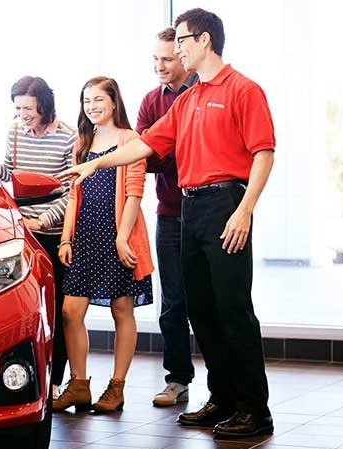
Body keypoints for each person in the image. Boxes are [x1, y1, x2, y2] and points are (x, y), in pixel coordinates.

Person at [61, 8, 275, 438]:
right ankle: (224, 398)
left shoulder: (243, 89)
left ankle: (255, 408)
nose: (175, 50)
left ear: (204, 41)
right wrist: (93, 166)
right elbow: (142, 144)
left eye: (181, 41)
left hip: (226, 203)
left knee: (233, 310)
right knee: (200, 310)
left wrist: (245, 208)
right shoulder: (188, 99)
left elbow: (264, 152)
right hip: (189, 208)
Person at [51, 76, 153, 414]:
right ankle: (79, 385)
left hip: (117, 236)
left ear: (113, 102)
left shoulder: (130, 140)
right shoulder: (83, 141)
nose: (91, 107)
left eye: (98, 100)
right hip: (84, 236)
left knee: (121, 310)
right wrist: (66, 238)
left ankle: (117, 386)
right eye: (86, 101)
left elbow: (134, 194)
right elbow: (73, 194)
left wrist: (122, 237)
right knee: (70, 311)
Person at [0, 76, 76, 398]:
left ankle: (55, 379)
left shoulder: (69, 137)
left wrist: (46, 218)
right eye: (18, 107)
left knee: (56, 307)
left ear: (44, 104)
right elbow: (12, 176)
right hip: (24, 231)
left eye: (28, 107)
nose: (23, 114)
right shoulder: (15, 131)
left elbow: (71, 191)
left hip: (53, 232)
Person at [137, 27, 198, 407]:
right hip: (170, 215)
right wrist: (172, 149)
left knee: (209, 302)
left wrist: (167, 149)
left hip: (209, 213)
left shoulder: (201, 94)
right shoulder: (149, 101)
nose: (159, 66)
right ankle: (177, 380)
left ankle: (227, 387)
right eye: (155, 59)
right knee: (172, 303)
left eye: (167, 59)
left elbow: (198, 151)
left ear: (184, 58)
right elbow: (146, 157)